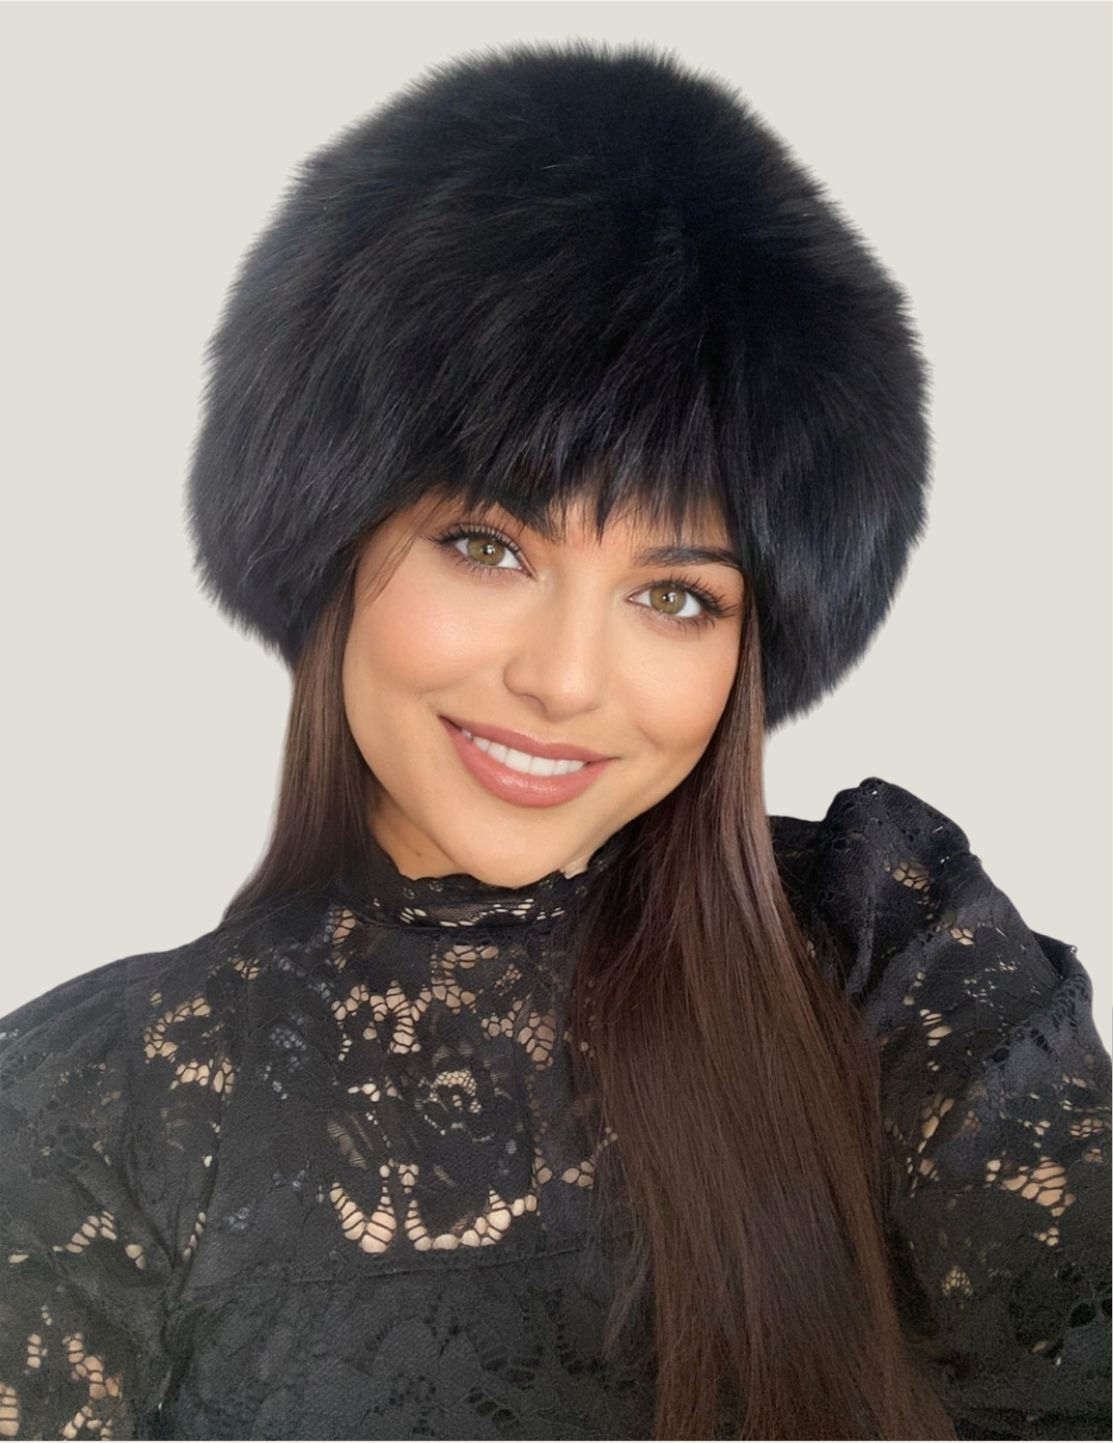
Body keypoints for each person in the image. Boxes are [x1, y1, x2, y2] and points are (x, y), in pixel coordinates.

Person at [0, 38, 1108, 1443]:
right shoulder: (89, 1103)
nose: (566, 681)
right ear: (328, 543)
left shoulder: (882, 946)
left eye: (674, 595)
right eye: (488, 545)